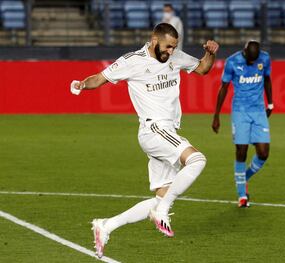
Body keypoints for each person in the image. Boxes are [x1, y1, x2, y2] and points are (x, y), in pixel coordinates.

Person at [70, 23, 219, 258]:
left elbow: (202, 69)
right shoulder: (133, 61)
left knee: (160, 196)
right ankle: (163, 210)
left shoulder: (176, 57)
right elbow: (100, 78)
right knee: (197, 160)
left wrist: (210, 54)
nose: (170, 51)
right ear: (154, 39)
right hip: (154, 129)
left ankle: (106, 225)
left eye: (174, 47)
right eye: (168, 46)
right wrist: (81, 84)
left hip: (167, 131)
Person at [211, 40, 273, 208]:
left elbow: (267, 79)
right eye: (249, 59)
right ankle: (242, 195)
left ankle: (243, 177)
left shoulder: (265, 59)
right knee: (241, 151)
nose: (252, 63)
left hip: (259, 111)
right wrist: (216, 115)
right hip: (240, 112)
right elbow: (223, 87)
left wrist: (271, 104)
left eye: (255, 60)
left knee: (263, 153)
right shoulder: (232, 61)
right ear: (244, 52)